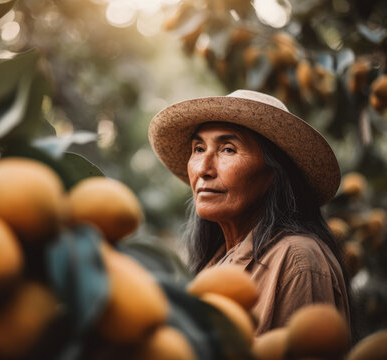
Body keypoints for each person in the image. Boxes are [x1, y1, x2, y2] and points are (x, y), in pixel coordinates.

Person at [148, 89, 351, 335]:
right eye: (199, 148)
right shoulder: (213, 264)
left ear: (273, 174)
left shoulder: (297, 259)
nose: (203, 168)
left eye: (228, 149)